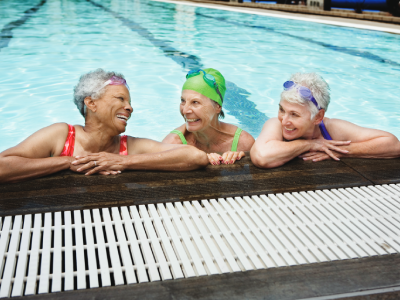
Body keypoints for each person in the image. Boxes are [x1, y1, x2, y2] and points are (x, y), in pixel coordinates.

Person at [0, 69, 209, 183]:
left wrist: (122, 162)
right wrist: (67, 162)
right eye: (120, 99)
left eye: (129, 102)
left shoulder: (130, 147)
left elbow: (196, 157)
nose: (129, 108)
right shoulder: (62, 136)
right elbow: (3, 165)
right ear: (91, 103)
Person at [251, 72, 400, 168]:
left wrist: (341, 151)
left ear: (318, 117)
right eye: (282, 110)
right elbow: (262, 156)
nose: (284, 121)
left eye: (294, 114)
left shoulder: (331, 128)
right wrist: (311, 144)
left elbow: (393, 145)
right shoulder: (275, 125)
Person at [162, 68, 255, 165]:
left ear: (217, 107)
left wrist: (241, 160)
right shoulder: (173, 143)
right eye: (183, 101)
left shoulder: (243, 143)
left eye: (195, 102)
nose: (185, 110)